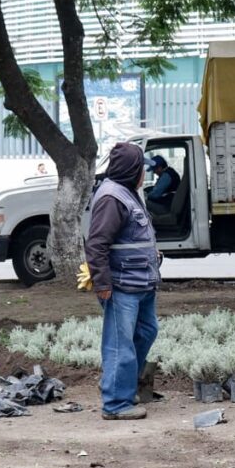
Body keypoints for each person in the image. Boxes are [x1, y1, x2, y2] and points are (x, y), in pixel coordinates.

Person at [86, 143, 161, 420]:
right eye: (143, 168)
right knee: (120, 344)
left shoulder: (127, 192)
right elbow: (97, 245)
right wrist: (103, 284)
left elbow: (128, 237)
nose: (145, 173)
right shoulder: (111, 197)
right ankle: (116, 403)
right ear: (132, 169)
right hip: (121, 286)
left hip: (140, 282)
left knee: (147, 331)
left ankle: (117, 383)